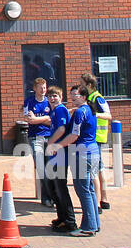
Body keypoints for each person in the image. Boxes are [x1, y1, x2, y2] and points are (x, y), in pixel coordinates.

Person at [53, 85, 99, 236]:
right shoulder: (90, 110)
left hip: (82, 152)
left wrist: (58, 145)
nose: (73, 97)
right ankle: (94, 223)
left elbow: (74, 135)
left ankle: (88, 227)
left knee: (82, 189)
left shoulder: (80, 112)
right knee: (89, 188)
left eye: (76, 95)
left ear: (84, 96)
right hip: (93, 151)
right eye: (71, 94)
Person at [41, 86, 76, 232]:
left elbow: (62, 129)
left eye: (55, 96)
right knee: (53, 186)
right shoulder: (55, 111)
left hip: (60, 153)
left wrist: (51, 143)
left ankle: (69, 221)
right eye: (50, 96)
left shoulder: (61, 110)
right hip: (55, 153)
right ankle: (61, 217)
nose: (52, 98)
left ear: (60, 97)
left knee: (60, 187)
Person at [79, 73, 112, 210]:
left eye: (82, 84)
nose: (80, 86)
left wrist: (94, 113)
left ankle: (98, 201)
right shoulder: (89, 98)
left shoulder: (97, 98)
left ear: (90, 85)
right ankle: (103, 199)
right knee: (99, 169)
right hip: (93, 138)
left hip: (96, 138)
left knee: (95, 171)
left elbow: (108, 115)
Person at [23, 76, 54, 209]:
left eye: (45, 88)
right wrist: (43, 119)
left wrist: (38, 119)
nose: (43, 90)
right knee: (41, 168)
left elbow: (53, 120)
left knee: (51, 168)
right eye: (40, 88)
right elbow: (29, 119)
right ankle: (46, 197)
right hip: (35, 138)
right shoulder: (29, 102)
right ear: (34, 88)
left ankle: (51, 196)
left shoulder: (49, 102)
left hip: (50, 137)